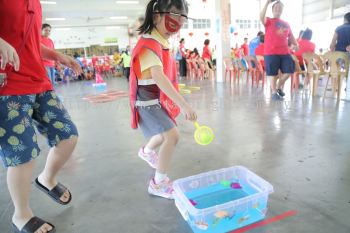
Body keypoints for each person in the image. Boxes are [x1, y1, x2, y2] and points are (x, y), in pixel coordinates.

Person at [0, 1, 81, 232]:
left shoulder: (34, 3)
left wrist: (56, 55)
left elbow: (31, 42)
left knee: (68, 135)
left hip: (38, 81)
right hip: (8, 85)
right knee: (22, 154)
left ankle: (47, 178)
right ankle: (21, 214)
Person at [130, 0, 197, 199]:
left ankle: (147, 151)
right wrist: (183, 104)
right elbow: (158, 77)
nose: (173, 31)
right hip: (148, 101)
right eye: (171, 23)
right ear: (157, 16)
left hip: (155, 99)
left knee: (162, 132)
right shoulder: (149, 45)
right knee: (172, 136)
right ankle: (158, 183)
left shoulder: (159, 41)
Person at [260, 0, 297, 100]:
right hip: (270, 52)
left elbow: (291, 37)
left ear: (282, 10)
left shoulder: (286, 24)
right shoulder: (268, 21)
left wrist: (296, 44)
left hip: (285, 52)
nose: (278, 9)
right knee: (272, 73)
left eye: (280, 8)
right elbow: (261, 16)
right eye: (276, 7)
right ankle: (273, 93)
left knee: (290, 70)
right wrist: (267, 3)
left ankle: (278, 87)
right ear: (272, 10)